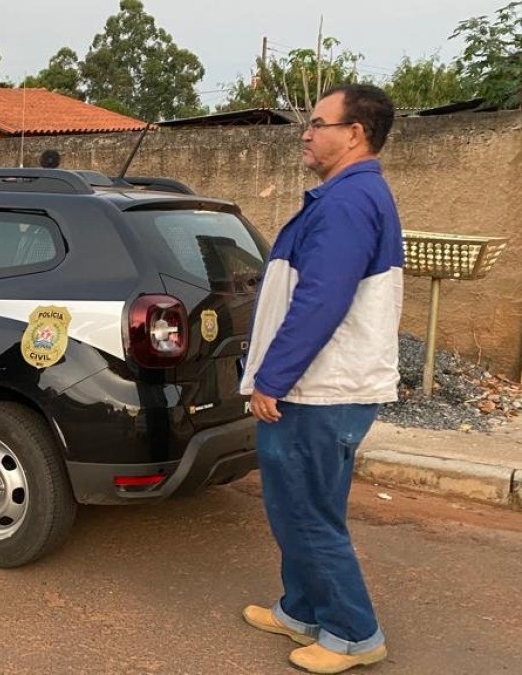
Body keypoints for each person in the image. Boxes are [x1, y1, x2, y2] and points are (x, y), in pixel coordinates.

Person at [239, 84, 403, 674]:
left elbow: (321, 300)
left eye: (317, 124)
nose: (306, 134)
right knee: (299, 508)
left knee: (307, 514)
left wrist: (272, 379)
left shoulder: (347, 201)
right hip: (321, 387)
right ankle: (303, 610)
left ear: (354, 133)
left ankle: (355, 634)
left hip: (320, 390)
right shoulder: (344, 196)